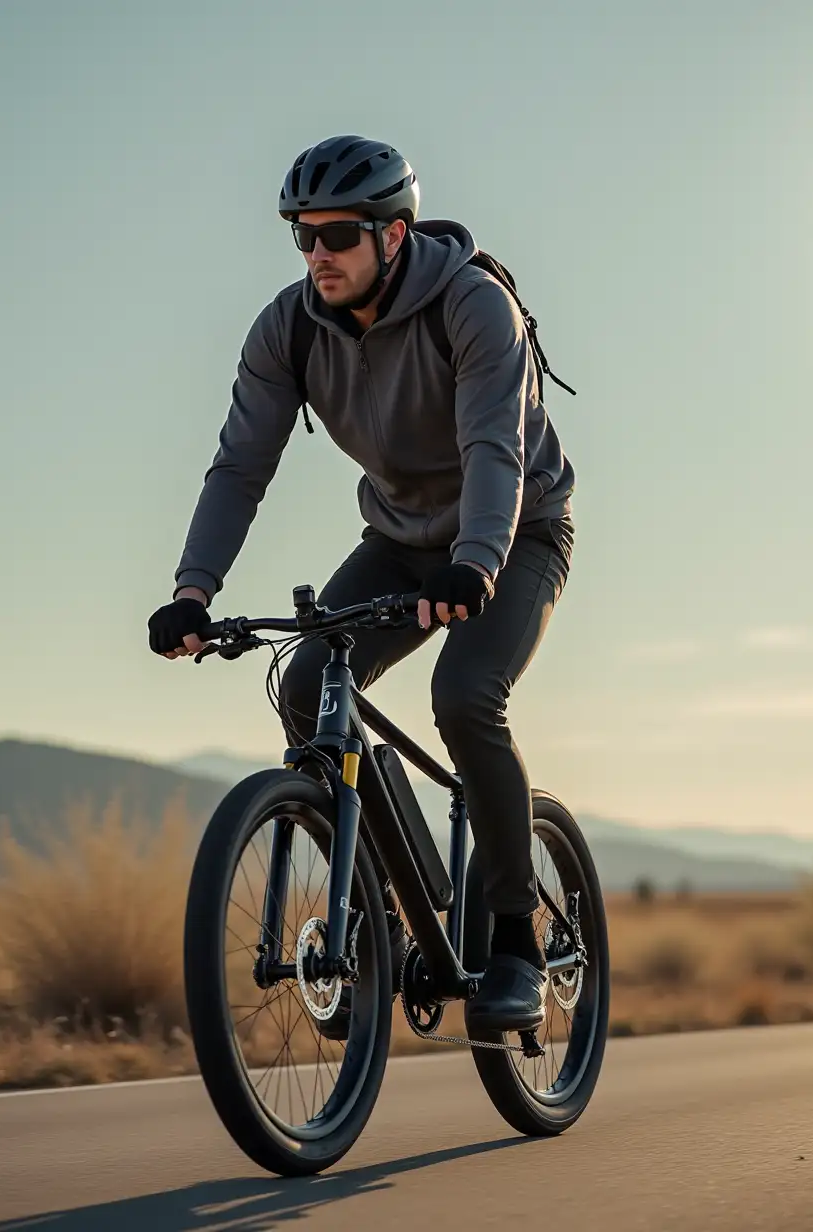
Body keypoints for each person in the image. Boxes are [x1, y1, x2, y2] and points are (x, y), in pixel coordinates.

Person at [147, 134, 576, 1033]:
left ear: (394, 231)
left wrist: (478, 563)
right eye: (300, 236)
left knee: (464, 696)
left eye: (336, 234)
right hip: (399, 538)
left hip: (516, 532)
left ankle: (514, 940)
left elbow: (492, 449)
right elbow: (239, 468)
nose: (316, 255)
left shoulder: (473, 305)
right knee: (306, 684)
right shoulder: (290, 329)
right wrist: (194, 591)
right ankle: (375, 922)